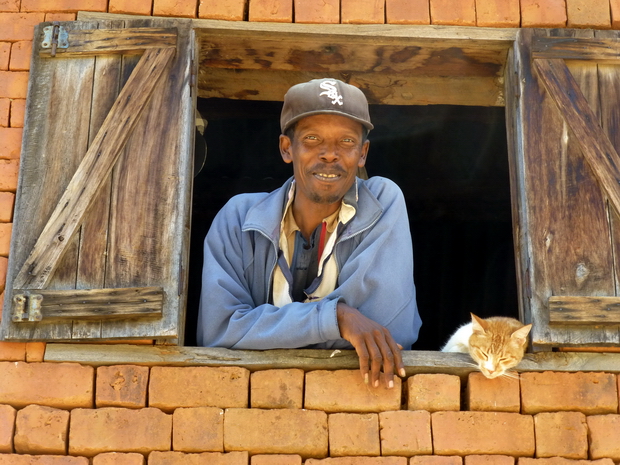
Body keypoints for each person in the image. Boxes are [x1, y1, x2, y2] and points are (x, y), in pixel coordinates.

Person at [197, 78, 422, 388]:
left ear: (362, 154)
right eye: (313, 139)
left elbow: (383, 335)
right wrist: (339, 318)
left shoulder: (381, 203)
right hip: (259, 404)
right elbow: (219, 333)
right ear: (287, 148)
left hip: (361, 404)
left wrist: (262, 333)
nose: (330, 154)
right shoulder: (239, 218)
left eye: (346, 141)